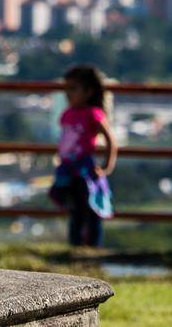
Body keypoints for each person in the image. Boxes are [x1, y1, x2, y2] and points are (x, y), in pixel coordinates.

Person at [49, 63, 116, 247]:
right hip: (68, 169)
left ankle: (93, 246)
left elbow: (110, 139)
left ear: (88, 91)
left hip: (84, 170)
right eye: (66, 89)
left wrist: (106, 166)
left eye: (73, 89)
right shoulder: (67, 114)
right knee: (75, 210)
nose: (68, 93)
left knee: (90, 210)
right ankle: (76, 245)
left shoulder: (93, 114)